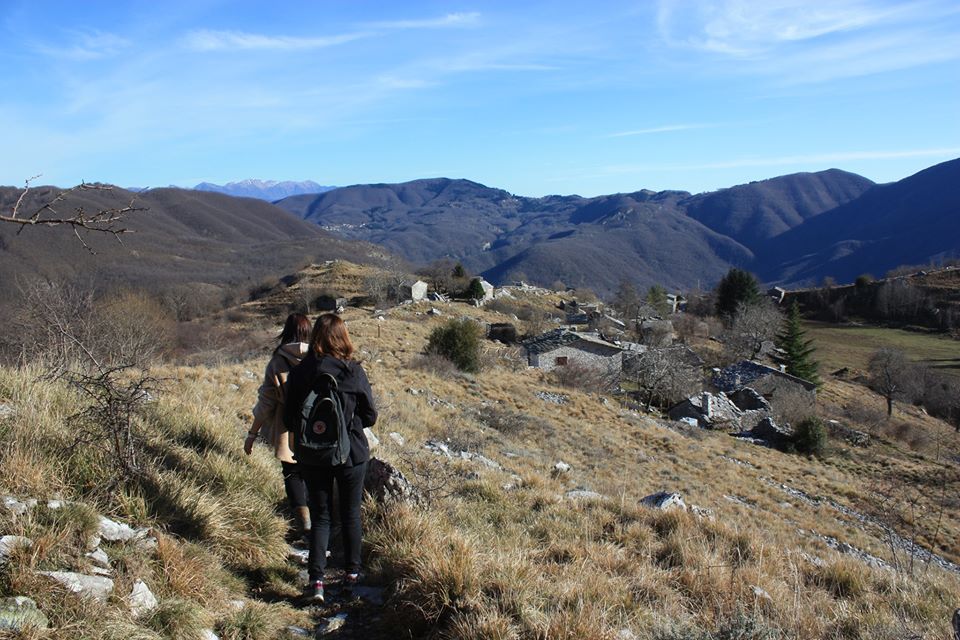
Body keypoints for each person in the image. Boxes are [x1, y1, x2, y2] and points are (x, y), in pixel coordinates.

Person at [284, 313, 377, 603]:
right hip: (351, 455)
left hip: (312, 456)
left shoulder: (300, 372)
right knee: (350, 515)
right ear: (343, 337)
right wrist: (348, 426)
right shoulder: (352, 372)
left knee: (321, 516)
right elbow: (370, 415)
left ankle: (317, 581)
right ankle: (351, 576)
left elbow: (289, 418)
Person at [244, 313, 312, 539]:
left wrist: (252, 434)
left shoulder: (277, 362)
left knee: (292, 473)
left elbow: (265, 403)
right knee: (316, 473)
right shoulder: (320, 357)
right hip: (318, 425)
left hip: (288, 426)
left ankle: (303, 521)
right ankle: (321, 526)